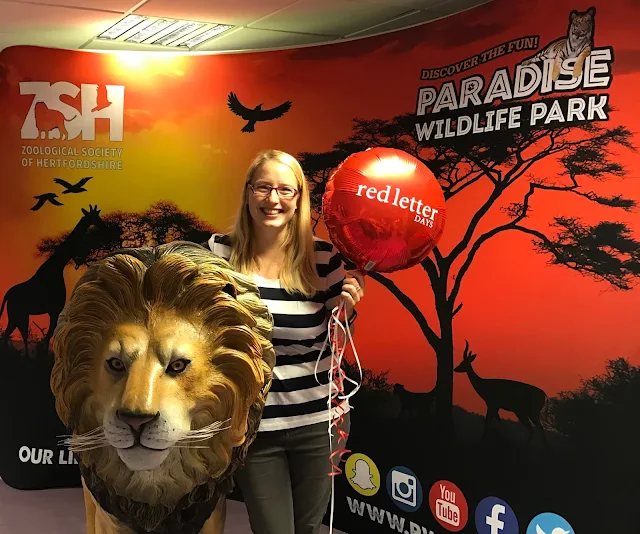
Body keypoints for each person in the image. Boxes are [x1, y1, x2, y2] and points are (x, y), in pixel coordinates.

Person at [206, 149, 365, 534]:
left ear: (299, 199)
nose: (273, 200)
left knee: (310, 529)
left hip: (319, 421)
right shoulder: (218, 255)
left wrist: (346, 310)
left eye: (285, 190)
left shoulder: (325, 259)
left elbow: (338, 340)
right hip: (255, 424)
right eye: (263, 188)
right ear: (247, 193)